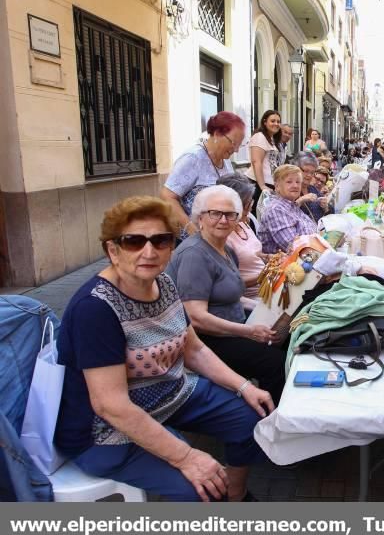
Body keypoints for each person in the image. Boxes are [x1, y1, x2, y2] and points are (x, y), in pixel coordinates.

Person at [55, 196, 274, 501]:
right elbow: (111, 406)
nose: (149, 251)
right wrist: (186, 457)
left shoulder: (164, 284)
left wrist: (243, 387)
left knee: (251, 418)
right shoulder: (94, 309)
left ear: (171, 247)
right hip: (106, 431)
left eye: (161, 241)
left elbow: (194, 350)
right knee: (200, 489)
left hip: (171, 394)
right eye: (133, 241)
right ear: (112, 250)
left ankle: (234, 497)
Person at [166, 185, 286, 402]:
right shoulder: (195, 254)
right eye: (215, 213)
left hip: (233, 326)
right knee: (274, 362)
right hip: (207, 340)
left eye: (230, 214)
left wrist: (266, 311)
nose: (223, 220)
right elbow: (196, 318)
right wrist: (248, 331)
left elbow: (230, 295)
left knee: (285, 336)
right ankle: (270, 419)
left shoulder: (226, 249)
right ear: (200, 217)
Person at [161, 111, 243, 240]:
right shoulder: (193, 158)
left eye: (239, 144)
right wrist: (191, 229)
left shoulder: (225, 160)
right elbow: (168, 196)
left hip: (217, 238)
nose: (236, 149)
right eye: (233, 143)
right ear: (217, 134)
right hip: (193, 240)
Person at [216, 174, 264, 300]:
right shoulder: (223, 236)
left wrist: (270, 259)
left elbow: (254, 254)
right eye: (247, 202)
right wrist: (266, 274)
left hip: (268, 288)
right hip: (254, 298)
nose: (251, 205)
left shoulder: (245, 222)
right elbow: (229, 285)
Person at [257, 164, 318, 254]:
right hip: (286, 264)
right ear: (277, 186)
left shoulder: (292, 205)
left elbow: (313, 230)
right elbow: (294, 247)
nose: (295, 186)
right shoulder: (276, 210)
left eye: (298, 182)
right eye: (289, 182)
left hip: (306, 257)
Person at [244, 110, 282, 208]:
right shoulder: (259, 136)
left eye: (278, 121)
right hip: (257, 184)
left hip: (269, 184)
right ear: (265, 122)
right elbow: (257, 161)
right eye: (272, 121)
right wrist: (262, 186)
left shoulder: (272, 139)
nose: (276, 124)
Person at [297, 153, 328, 223]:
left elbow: (328, 213)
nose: (309, 175)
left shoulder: (313, 189)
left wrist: (325, 207)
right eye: (306, 171)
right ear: (297, 169)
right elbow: (287, 212)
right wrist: (301, 200)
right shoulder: (292, 190)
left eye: (312, 172)